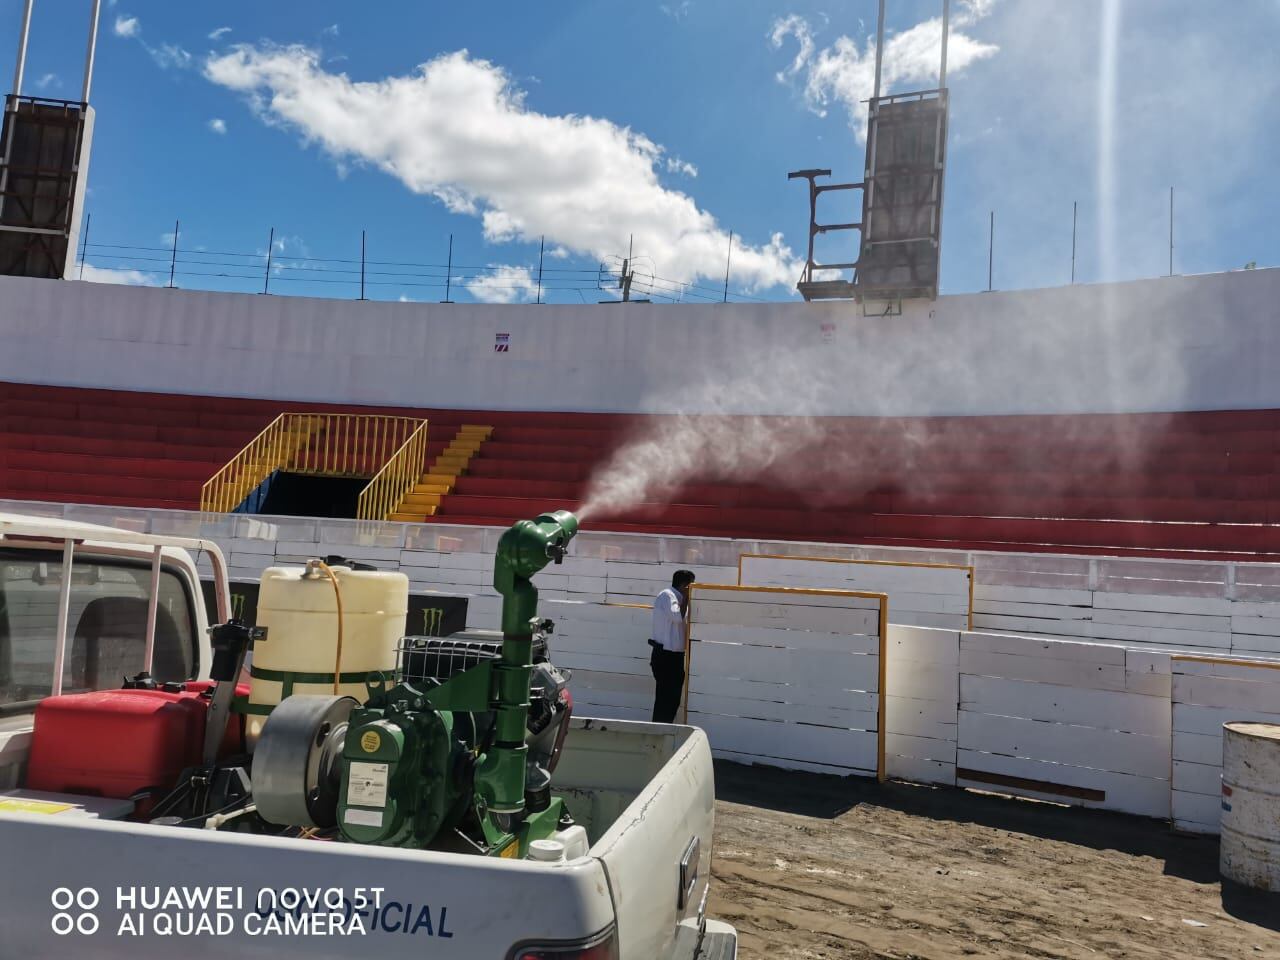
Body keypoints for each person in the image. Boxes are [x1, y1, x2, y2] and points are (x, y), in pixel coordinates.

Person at [650, 569, 695, 723]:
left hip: (673, 656)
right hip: (666, 656)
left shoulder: (677, 598)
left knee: (672, 699)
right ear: (685, 585)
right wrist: (688, 597)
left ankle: (664, 729)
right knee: (665, 699)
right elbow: (677, 616)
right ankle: (659, 731)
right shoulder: (668, 595)